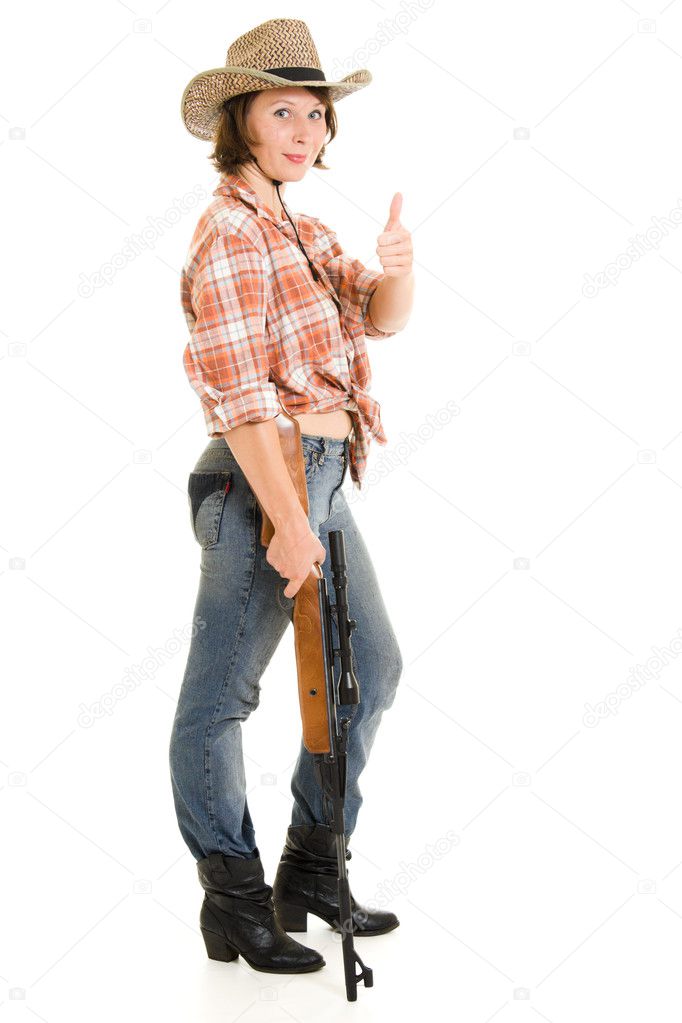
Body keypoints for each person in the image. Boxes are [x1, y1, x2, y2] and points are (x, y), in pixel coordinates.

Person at [169, 18, 415, 975]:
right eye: (284, 112)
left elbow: (377, 321)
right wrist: (287, 519)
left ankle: (312, 865)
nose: (305, 131)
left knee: (375, 671)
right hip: (261, 479)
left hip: (323, 480)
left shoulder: (300, 229)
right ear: (241, 119)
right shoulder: (230, 230)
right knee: (220, 697)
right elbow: (238, 397)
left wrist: (397, 268)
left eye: (315, 115)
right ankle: (231, 898)